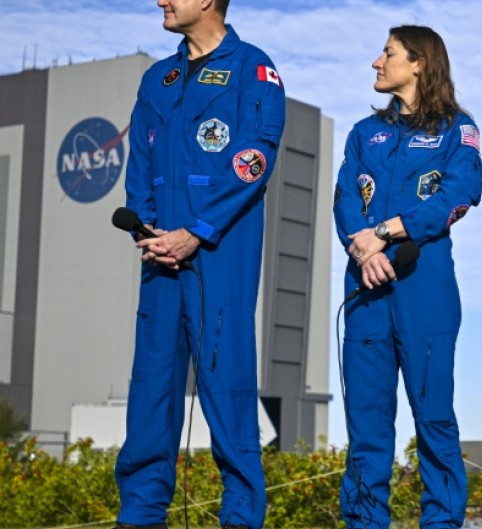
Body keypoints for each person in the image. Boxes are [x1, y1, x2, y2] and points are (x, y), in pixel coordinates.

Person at [114, 0, 285, 527]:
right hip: (160, 254)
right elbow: (139, 162)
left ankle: (239, 517)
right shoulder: (157, 79)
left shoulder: (253, 69)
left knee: (227, 388)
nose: (161, 1)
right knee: (151, 390)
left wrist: (197, 231)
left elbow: (255, 158)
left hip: (219, 256)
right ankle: (140, 514)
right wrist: (149, 230)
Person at [333, 25, 482, 529]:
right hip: (366, 288)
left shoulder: (457, 128)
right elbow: (346, 198)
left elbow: (459, 193)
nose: (377, 62)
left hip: (426, 288)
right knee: (367, 425)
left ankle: (441, 522)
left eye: (389, 53)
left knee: (434, 419)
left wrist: (384, 231)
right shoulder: (363, 133)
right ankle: (363, 521)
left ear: (419, 62)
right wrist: (365, 248)